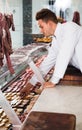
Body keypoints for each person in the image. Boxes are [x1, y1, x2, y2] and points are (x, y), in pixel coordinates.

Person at [20, 8, 82, 96]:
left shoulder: (70, 28)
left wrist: (53, 81)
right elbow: (48, 62)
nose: (40, 30)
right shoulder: (56, 39)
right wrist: (30, 84)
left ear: (49, 23)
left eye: (41, 26)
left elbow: (64, 54)